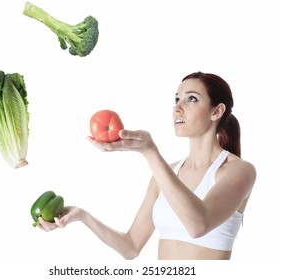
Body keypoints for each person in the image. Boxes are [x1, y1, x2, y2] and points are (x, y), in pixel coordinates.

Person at [38, 71, 256, 260]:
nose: (177, 108)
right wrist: (82, 215)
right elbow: (131, 247)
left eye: (191, 99)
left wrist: (150, 151)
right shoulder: (166, 174)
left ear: (216, 112)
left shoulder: (239, 170)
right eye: (176, 99)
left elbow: (198, 225)